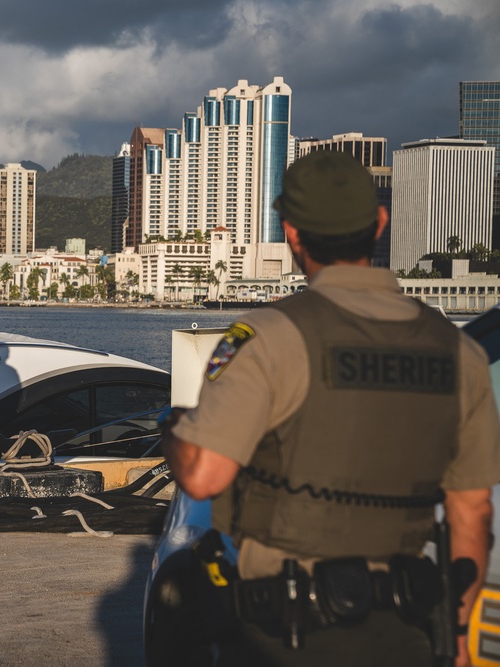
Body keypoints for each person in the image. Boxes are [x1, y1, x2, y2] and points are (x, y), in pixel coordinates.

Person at [162, 151, 500, 666]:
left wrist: (175, 432)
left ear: (291, 233)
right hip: (405, 630)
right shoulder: (461, 353)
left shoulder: (263, 337)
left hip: (282, 635)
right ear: (379, 223)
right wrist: (455, 631)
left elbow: (205, 478)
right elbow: (472, 509)